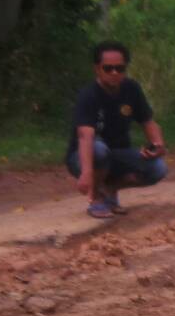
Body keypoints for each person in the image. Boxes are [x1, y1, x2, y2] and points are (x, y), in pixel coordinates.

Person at [67, 41, 169, 219]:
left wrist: (157, 144)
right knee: (99, 150)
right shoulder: (89, 95)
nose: (114, 73)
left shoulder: (132, 89)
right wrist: (86, 173)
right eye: (108, 68)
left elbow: (148, 122)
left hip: (118, 153)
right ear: (97, 69)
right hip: (84, 156)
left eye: (119, 68)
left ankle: (110, 189)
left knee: (158, 168)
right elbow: (85, 136)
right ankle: (96, 198)